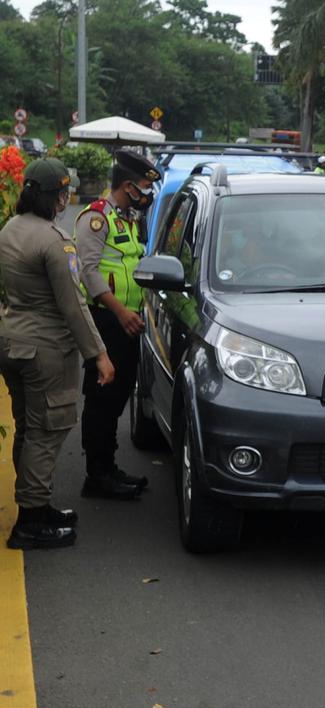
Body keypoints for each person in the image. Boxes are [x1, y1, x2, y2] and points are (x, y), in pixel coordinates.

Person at [1, 159, 115, 549]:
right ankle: (31, 522)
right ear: (51, 196)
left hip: (13, 341)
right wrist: (98, 353)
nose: (66, 200)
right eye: (64, 193)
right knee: (47, 430)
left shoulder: (11, 229)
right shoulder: (54, 240)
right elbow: (73, 306)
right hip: (46, 349)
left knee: (28, 428)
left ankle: (36, 506)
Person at [75, 149, 161, 500]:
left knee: (117, 398)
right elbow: (88, 272)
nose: (146, 195)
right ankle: (96, 476)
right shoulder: (96, 219)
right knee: (101, 399)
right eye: (143, 187)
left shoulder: (127, 218)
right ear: (127, 185)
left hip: (128, 322)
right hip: (107, 321)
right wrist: (120, 312)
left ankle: (108, 468)